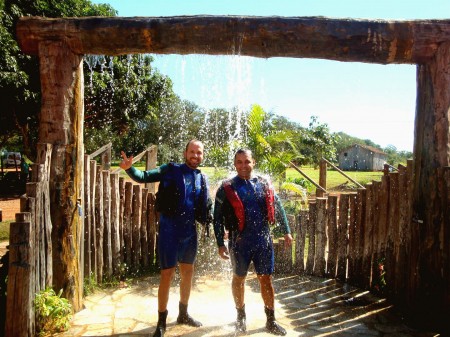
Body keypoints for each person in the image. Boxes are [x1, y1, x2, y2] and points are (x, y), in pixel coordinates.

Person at [120, 140, 211, 337]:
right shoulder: (170, 169)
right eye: (192, 152)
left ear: (203, 155)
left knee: (188, 273)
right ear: (185, 153)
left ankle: (183, 314)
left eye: (199, 153)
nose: (195, 156)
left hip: (189, 233)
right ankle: (161, 321)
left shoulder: (201, 178)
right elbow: (144, 176)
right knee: (166, 275)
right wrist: (130, 169)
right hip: (170, 231)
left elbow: (205, 208)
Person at [213, 148, 293, 336]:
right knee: (239, 278)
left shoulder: (264, 184)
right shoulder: (227, 188)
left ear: (253, 162)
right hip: (239, 243)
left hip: (263, 240)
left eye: (247, 161)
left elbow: (278, 205)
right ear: (235, 164)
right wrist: (219, 243)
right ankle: (241, 318)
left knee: (266, 279)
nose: (243, 166)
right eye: (239, 162)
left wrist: (287, 231)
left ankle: (271, 321)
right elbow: (216, 218)